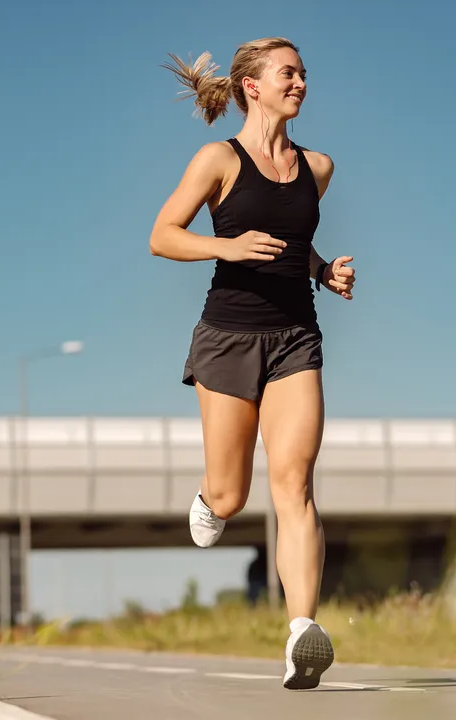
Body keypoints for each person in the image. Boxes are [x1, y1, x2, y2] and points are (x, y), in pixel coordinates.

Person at [149, 37, 356, 690]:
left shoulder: (317, 167)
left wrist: (325, 271)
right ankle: (211, 500)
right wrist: (227, 247)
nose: (300, 83)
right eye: (287, 74)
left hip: (296, 337)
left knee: (294, 485)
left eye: (303, 74)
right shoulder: (218, 159)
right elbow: (163, 236)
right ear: (252, 87)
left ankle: (302, 633)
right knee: (234, 494)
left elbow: (297, 238)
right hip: (228, 339)